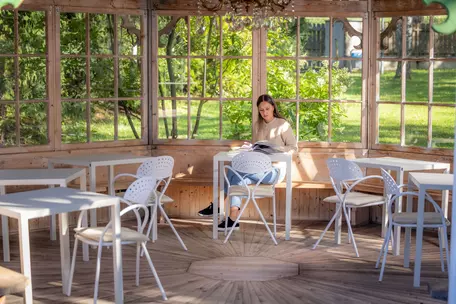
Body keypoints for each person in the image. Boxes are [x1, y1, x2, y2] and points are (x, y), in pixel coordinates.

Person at [198, 94, 297, 230]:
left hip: (274, 172)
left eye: (267, 109)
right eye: (261, 110)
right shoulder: (257, 125)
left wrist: (276, 149)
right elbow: (257, 148)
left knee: (235, 170)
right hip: (257, 170)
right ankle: (233, 219)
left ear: (273, 107)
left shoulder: (282, 125)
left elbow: (293, 148)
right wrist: (250, 148)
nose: (264, 113)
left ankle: (218, 206)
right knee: (236, 176)